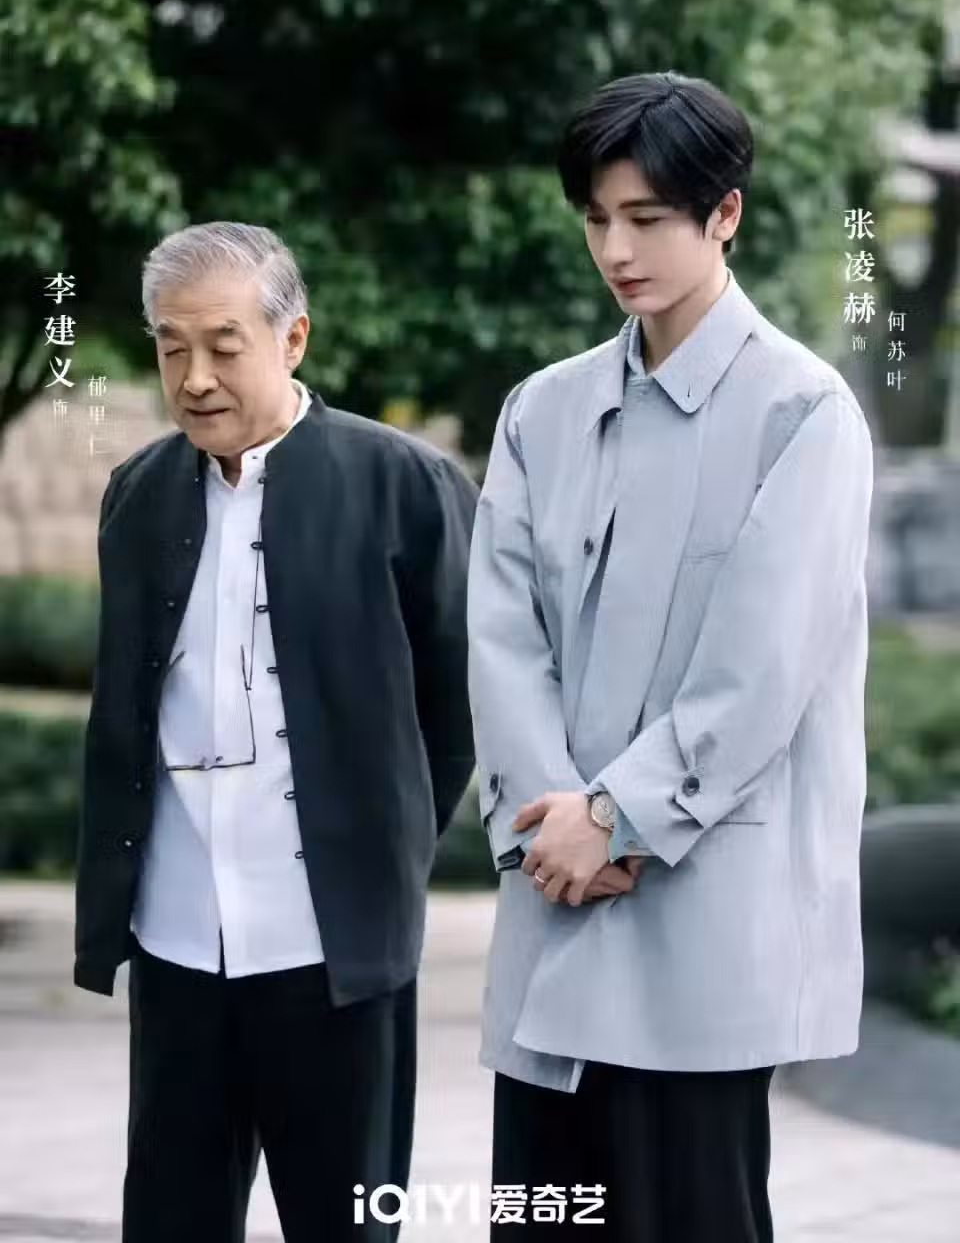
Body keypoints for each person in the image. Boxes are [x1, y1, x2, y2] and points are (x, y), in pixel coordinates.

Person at [467, 73, 874, 1242]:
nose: (616, 249)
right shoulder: (541, 413)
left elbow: (760, 672)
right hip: (556, 895)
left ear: (724, 214)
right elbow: (501, 636)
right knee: (546, 1216)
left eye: (646, 218)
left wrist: (616, 818)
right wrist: (550, 826)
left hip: (703, 924)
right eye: (598, 219)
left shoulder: (803, 413)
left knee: (689, 1213)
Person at [74, 221, 478, 1243]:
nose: (195, 378)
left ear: (293, 339)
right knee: (169, 1216)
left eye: (223, 345)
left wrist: (380, 846)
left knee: (348, 1222)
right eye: (172, 348)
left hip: (332, 946)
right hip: (178, 937)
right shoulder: (138, 495)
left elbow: (459, 706)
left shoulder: (406, 484)